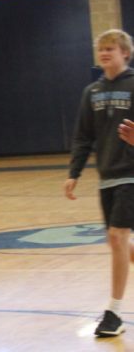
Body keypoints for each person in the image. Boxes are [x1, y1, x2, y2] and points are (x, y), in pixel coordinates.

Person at [71, 29, 134, 338]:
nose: (105, 52)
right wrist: (74, 173)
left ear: (126, 53)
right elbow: (84, 137)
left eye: (112, 48)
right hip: (107, 177)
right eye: (102, 48)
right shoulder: (91, 93)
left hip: (132, 175)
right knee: (119, 242)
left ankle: (114, 313)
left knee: (118, 236)